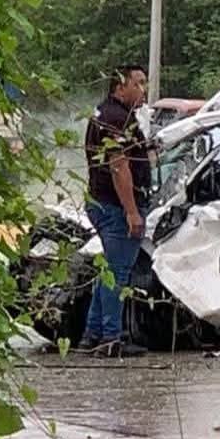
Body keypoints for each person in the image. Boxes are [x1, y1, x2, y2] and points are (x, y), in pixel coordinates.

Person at [81, 66, 152, 358]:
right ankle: (111, 338)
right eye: (139, 83)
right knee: (118, 273)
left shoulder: (104, 112)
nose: (144, 89)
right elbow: (119, 166)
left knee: (108, 272)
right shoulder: (116, 118)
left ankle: (93, 333)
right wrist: (132, 212)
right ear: (120, 86)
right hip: (115, 207)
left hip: (101, 202)